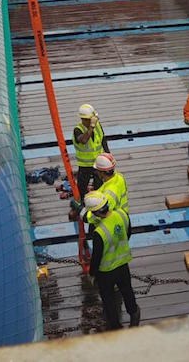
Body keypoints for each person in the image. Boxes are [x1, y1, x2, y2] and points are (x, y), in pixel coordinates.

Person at [84, 190, 140, 330]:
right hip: (123, 263)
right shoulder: (122, 214)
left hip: (106, 271)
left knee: (108, 298)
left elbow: (96, 257)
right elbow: (128, 233)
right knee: (127, 290)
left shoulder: (99, 232)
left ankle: (115, 325)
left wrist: (92, 273)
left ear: (96, 213)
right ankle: (134, 313)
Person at [69, 152, 129, 225]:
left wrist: (79, 209)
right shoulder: (119, 177)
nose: (96, 172)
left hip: (113, 223)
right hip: (122, 217)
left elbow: (94, 217)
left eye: (97, 170)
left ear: (102, 172)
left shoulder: (109, 194)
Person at [73, 104, 109, 197]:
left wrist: (108, 154)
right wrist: (91, 127)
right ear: (84, 119)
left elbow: (103, 139)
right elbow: (84, 140)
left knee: (99, 185)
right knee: (82, 186)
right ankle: (81, 202)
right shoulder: (78, 130)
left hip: (98, 162)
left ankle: (97, 201)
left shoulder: (97, 126)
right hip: (85, 165)